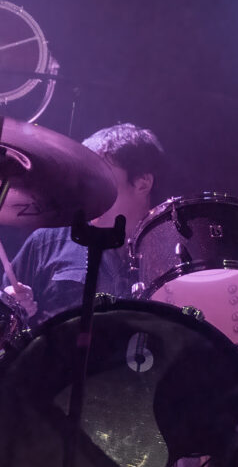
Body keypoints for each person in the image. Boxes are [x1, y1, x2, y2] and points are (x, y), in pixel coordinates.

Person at [3, 122, 165, 326]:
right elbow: (5, 320)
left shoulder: (167, 258)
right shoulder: (49, 240)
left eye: (100, 175)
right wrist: (12, 303)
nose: (87, 187)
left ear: (143, 183)